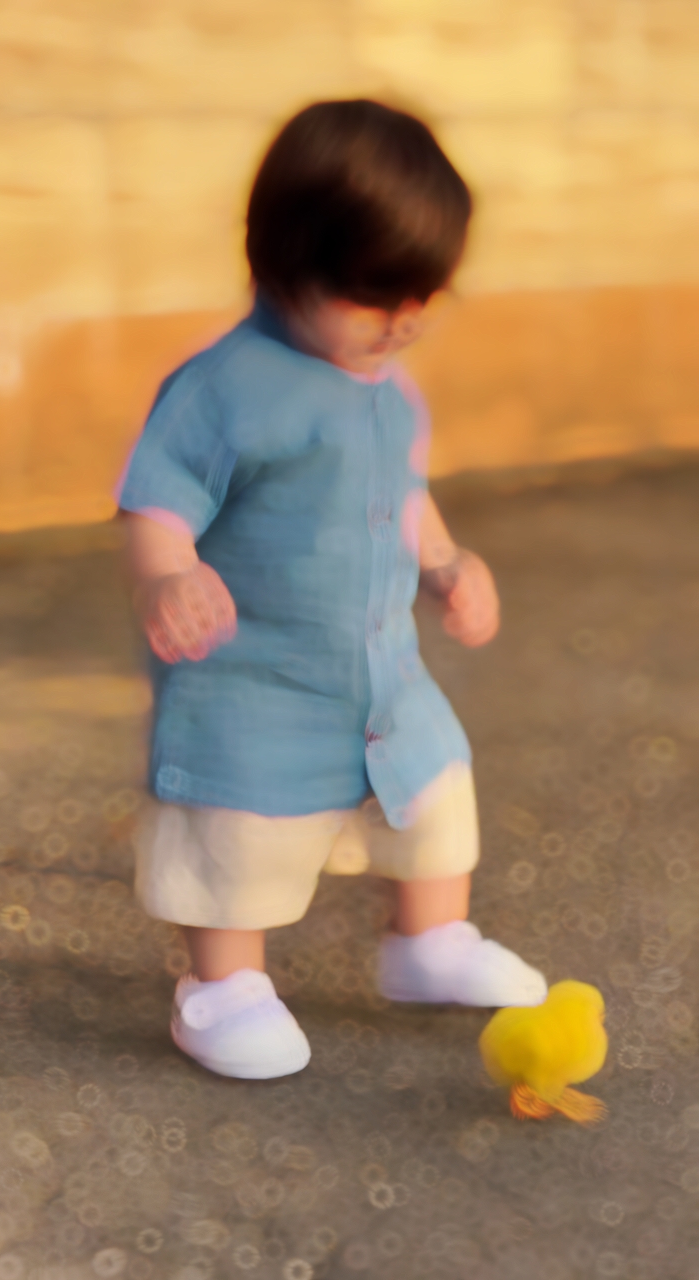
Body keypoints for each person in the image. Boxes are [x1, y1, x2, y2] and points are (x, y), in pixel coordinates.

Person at [118, 99, 547, 1081]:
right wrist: (168, 574)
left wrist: (445, 563)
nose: (404, 319)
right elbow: (155, 498)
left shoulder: (390, 384)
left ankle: (428, 939)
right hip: (254, 678)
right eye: (373, 294)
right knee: (239, 835)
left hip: (379, 674)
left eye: (424, 293)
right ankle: (222, 986)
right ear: (283, 264)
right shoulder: (224, 388)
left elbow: (404, 492)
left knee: (433, 792)